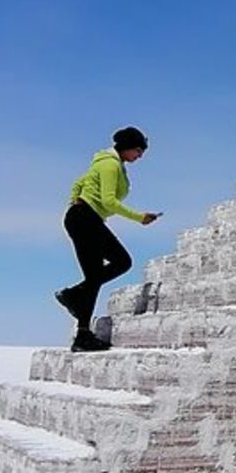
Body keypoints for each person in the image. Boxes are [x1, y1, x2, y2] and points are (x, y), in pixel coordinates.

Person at [55, 126, 160, 352]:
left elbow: (79, 183)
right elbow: (109, 201)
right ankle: (74, 295)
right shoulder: (110, 164)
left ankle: (82, 333)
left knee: (93, 278)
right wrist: (139, 217)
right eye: (138, 150)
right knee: (122, 261)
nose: (140, 156)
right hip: (85, 219)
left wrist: (76, 199)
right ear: (128, 147)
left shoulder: (108, 163)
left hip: (83, 217)